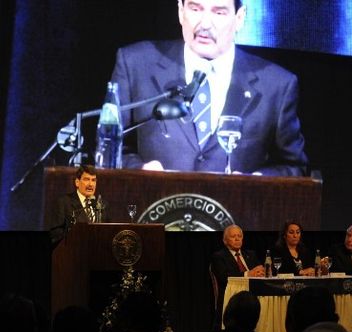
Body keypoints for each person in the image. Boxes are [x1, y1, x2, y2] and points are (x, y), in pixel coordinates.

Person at [110, 0, 309, 176]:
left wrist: (255, 183)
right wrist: (140, 172)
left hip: (234, 215)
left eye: (218, 12)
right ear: (181, 11)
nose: (205, 24)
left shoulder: (276, 85)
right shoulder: (136, 64)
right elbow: (110, 147)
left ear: (239, 18)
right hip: (155, 210)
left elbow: (294, 166)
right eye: (195, 9)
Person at [48, 164, 109, 244]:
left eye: (93, 180)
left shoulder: (102, 204)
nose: (90, 184)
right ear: (77, 182)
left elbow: (108, 231)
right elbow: (55, 234)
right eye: (87, 179)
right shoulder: (64, 203)